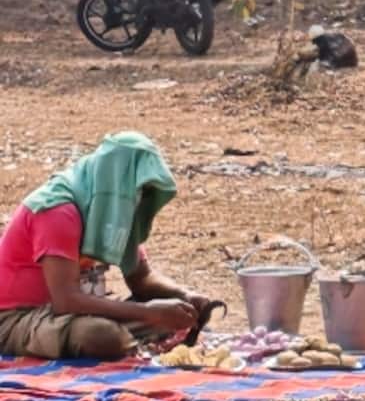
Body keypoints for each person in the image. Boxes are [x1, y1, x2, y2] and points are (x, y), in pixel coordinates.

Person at [0, 132, 216, 366]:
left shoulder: (116, 211)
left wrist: (184, 296)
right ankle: (127, 342)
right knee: (102, 336)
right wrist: (149, 313)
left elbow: (141, 278)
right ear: (115, 184)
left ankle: (132, 340)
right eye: (136, 191)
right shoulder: (57, 210)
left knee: (176, 319)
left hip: (72, 312)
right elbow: (66, 301)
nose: (139, 200)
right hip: (19, 317)